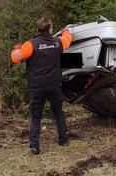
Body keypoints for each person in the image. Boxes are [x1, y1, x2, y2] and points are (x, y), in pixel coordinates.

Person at [11, 17, 72, 155]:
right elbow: (68, 40)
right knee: (58, 113)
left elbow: (15, 58)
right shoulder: (58, 42)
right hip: (54, 86)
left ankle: (34, 146)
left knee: (36, 117)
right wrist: (66, 31)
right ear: (50, 29)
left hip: (37, 87)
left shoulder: (31, 44)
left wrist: (16, 49)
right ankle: (63, 140)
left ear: (37, 29)